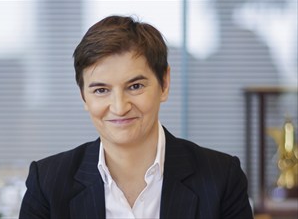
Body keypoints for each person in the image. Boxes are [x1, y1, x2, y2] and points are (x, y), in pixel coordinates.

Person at [19, 15, 253, 219]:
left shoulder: (221, 178)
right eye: (101, 90)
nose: (119, 107)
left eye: (135, 86)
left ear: (165, 83)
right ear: (83, 96)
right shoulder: (48, 182)